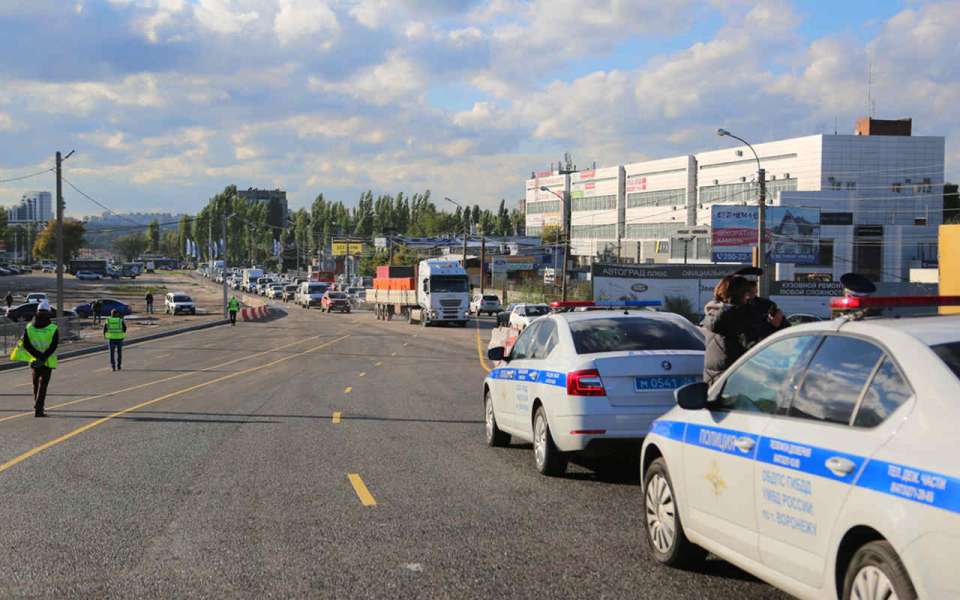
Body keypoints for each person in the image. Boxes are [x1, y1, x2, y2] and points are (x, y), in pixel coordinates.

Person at [701, 275, 787, 385]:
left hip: (713, 381)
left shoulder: (713, 311)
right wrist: (773, 326)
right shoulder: (738, 315)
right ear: (744, 295)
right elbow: (756, 347)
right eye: (749, 293)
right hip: (735, 381)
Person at [8, 300, 58, 417]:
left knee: (35, 385)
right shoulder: (53, 328)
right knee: (43, 386)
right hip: (46, 361)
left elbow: (26, 344)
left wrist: (36, 356)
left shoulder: (29, 327)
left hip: (34, 360)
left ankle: (37, 406)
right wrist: (43, 357)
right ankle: (39, 409)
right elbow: (54, 345)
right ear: (48, 313)